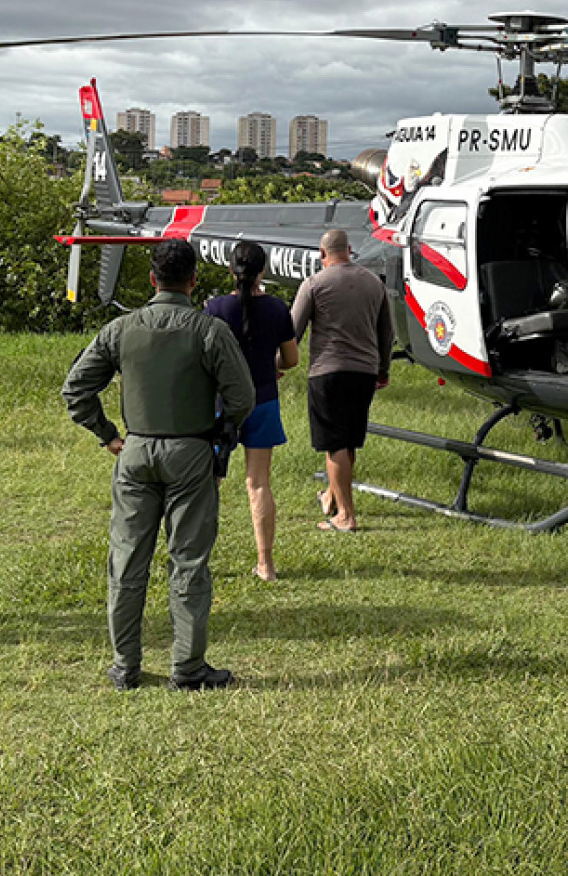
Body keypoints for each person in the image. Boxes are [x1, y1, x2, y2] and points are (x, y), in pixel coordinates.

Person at [63, 238, 256, 691]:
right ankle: (187, 667)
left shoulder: (121, 328)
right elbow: (242, 397)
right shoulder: (209, 331)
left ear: (152, 278)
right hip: (191, 451)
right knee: (188, 561)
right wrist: (222, 430)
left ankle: (124, 666)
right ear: (193, 280)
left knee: (127, 561)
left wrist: (108, 434)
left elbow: (76, 389)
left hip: (136, 450)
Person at [204, 242, 300, 582]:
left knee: (209, 483)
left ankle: (199, 561)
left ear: (231, 270)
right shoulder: (277, 309)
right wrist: (269, 364)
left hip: (221, 405)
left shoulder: (214, 308)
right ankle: (266, 564)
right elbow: (291, 359)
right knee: (258, 484)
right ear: (263, 271)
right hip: (263, 400)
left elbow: (204, 359)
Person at [292, 228, 394, 532]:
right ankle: (332, 499)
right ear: (349, 250)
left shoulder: (314, 284)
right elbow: (386, 332)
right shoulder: (373, 283)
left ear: (322, 254)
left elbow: (292, 330)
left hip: (328, 370)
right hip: (364, 371)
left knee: (334, 442)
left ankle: (346, 516)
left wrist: (279, 364)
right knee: (347, 441)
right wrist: (383, 368)